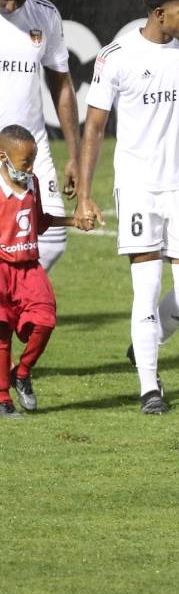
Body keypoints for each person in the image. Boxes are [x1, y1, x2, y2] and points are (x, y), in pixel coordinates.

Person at [74, 0, 179, 415]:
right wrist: (86, 193)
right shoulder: (118, 56)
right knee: (145, 290)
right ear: (160, 13)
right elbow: (95, 126)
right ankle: (150, 387)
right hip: (139, 188)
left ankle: (144, 343)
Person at [0, 0, 80, 273]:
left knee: (53, 238)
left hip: (30, 144)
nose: (10, 6)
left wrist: (73, 154)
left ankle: (11, 295)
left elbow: (62, 85)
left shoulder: (44, 14)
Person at [0, 124, 74, 416]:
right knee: (2, 334)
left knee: (45, 321)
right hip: (2, 269)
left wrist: (72, 221)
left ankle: (23, 371)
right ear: (3, 158)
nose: (30, 168)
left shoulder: (33, 184)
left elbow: (39, 221)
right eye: (25, 162)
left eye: (33, 160)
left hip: (30, 269)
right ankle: (3, 398)